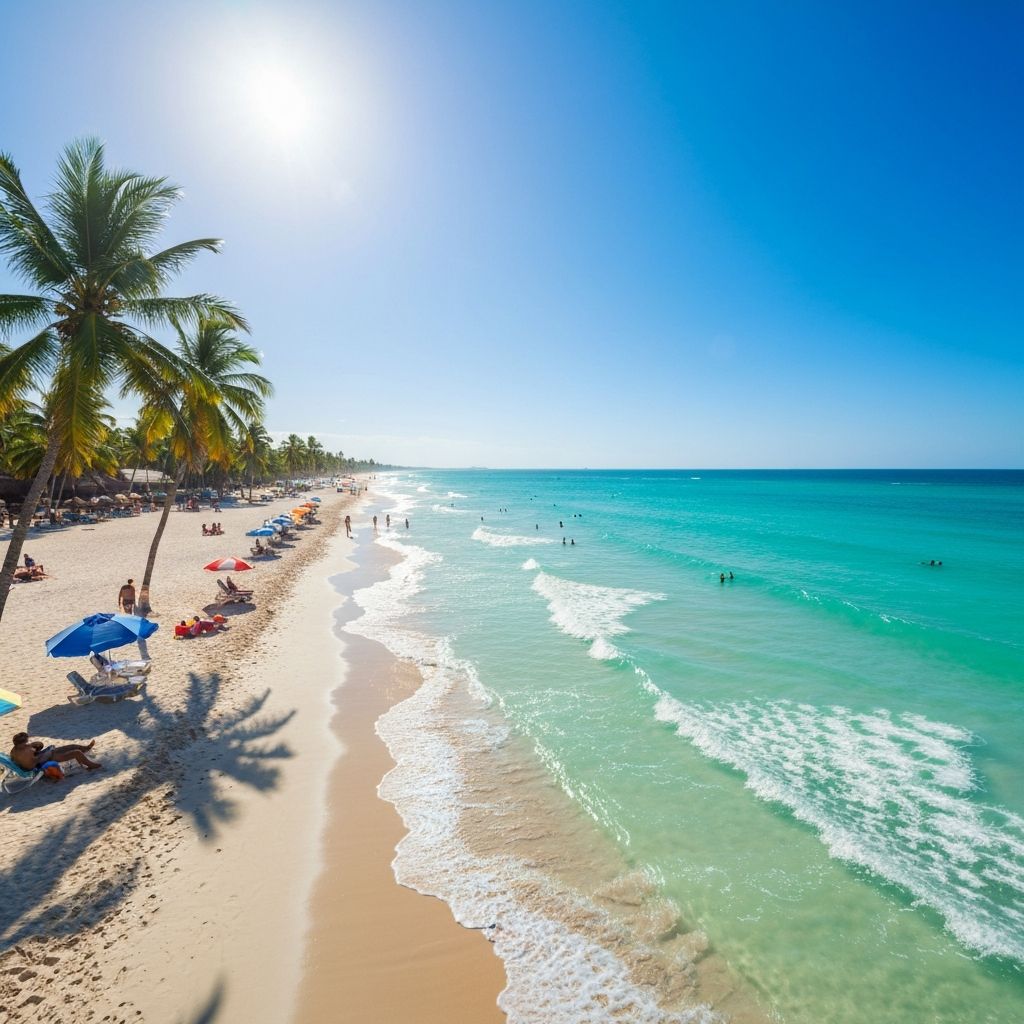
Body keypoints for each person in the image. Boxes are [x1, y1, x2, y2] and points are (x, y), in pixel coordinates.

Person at [10, 732, 102, 772]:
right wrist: (40, 753)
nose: (27, 742)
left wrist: (37, 751)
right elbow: (34, 761)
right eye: (26, 741)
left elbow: (24, 759)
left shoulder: (14, 751)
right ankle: (91, 765)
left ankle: (86, 748)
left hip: (43, 758)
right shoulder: (27, 750)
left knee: (69, 747)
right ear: (22, 743)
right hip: (44, 761)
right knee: (76, 752)